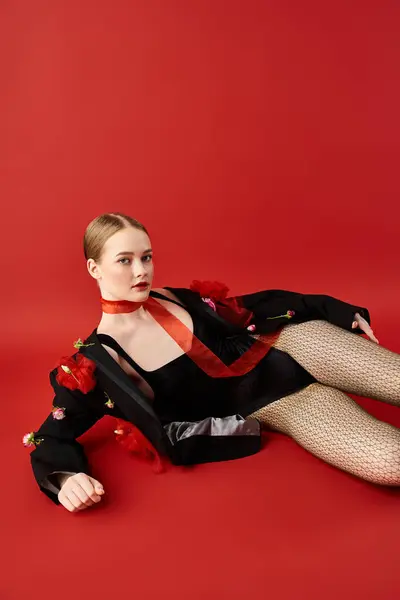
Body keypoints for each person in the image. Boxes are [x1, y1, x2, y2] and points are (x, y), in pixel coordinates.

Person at [26, 212, 400, 513]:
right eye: (125, 260)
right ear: (94, 268)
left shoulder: (174, 298)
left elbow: (250, 307)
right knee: (390, 462)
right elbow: (50, 435)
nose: (141, 271)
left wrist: (335, 310)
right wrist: (66, 479)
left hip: (292, 343)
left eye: (146, 257)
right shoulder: (95, 364)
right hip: (280, 399)